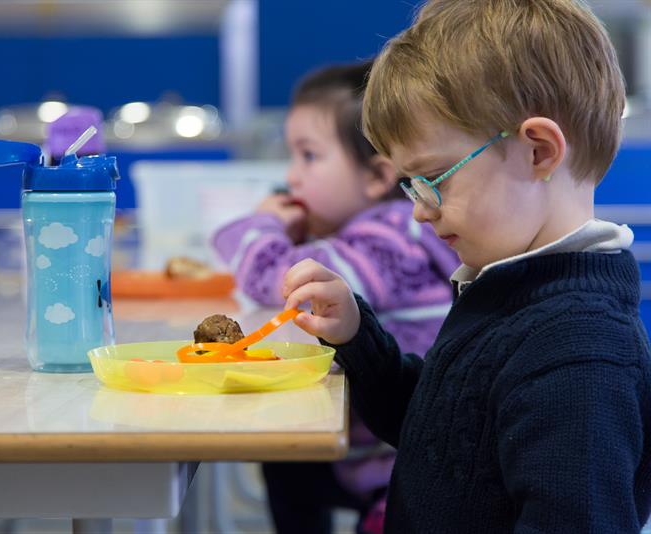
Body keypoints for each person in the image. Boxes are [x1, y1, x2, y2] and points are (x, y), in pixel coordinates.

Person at [281, 1, 651, 532]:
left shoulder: (578, 351)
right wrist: (359, 337)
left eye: (435, 178)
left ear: (539, 152)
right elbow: (440, 431)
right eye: (410, 184)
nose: (419, 209)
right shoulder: (509, 289)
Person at [212, 61, 459, 534]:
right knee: (287, 462)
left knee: (287, 461)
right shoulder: (388, 230)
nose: (292, 176)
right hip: (382, 445)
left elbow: (283, 282)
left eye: (309, 156)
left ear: (376, 177)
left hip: (403, 468)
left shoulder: (393, 235)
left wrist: (266, 223)